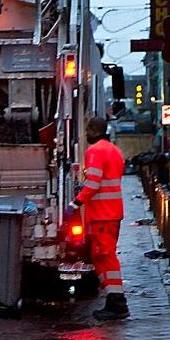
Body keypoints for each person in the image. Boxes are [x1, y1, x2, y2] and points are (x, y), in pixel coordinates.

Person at [66, 116, 128, 321]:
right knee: (100, 255)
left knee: (105, 255)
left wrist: (76, 202)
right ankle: (113, 298)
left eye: (87, 130)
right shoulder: (114, 150)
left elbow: (93, 183)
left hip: (103, 214)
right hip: (111, 212)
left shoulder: (95, 151)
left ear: (93, 129)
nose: (85, 134)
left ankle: (117, 303)